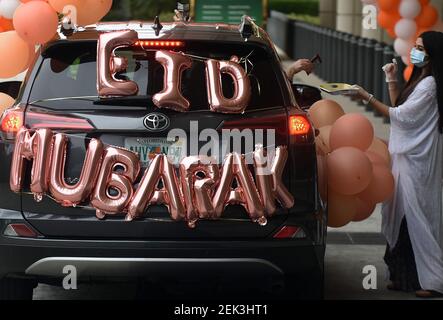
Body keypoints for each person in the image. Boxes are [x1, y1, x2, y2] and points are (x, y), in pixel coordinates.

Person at [349, 31, 443, 298]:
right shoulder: (421, 80)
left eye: (421, 47)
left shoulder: (430, 85)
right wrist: (391, 78)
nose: (415, 51)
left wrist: (365, 97)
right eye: (414, 46)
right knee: (399, 214)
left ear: (433, 53)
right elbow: (400, 108)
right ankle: (404, 277)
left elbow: (400, 116)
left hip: (417, 163)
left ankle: (432, 280)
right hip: (406, 161)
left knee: (417, 218)